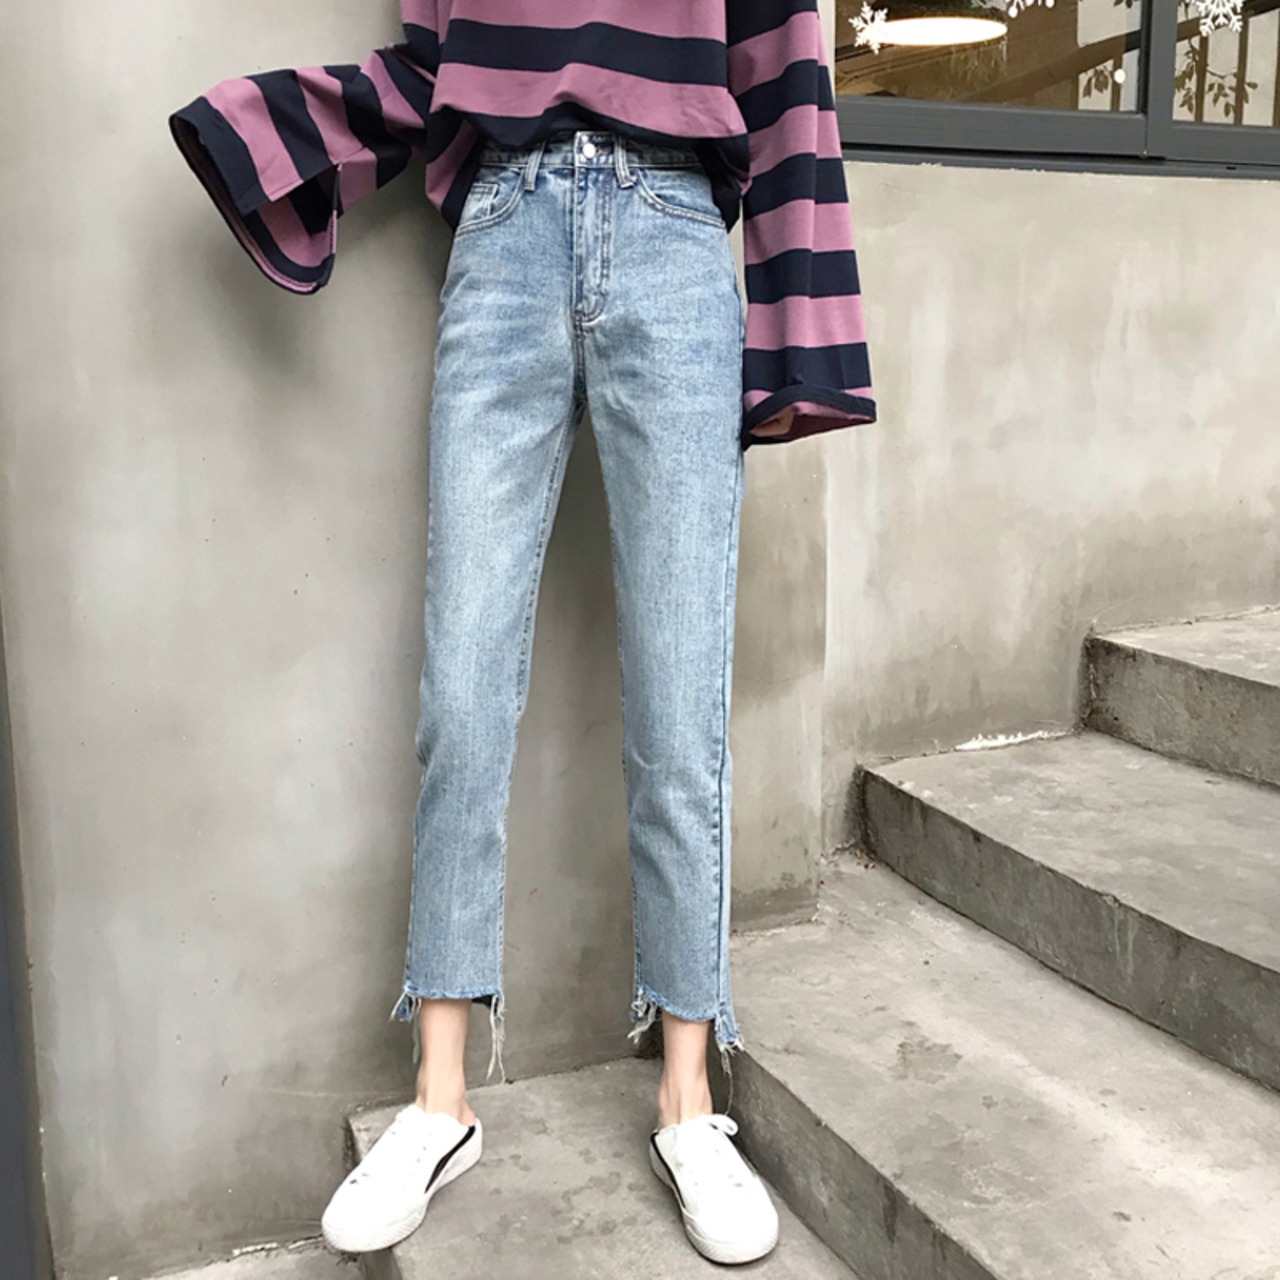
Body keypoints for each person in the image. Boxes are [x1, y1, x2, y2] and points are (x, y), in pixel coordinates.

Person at [168, 0, 875, 1266]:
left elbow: (783, 78)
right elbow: (440, 65)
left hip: (672, 235)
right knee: (461, 691)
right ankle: (438, 1101)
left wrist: (798, 338)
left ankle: (687, 1100)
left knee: (680, 711)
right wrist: (282, 131)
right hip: (502, 235)